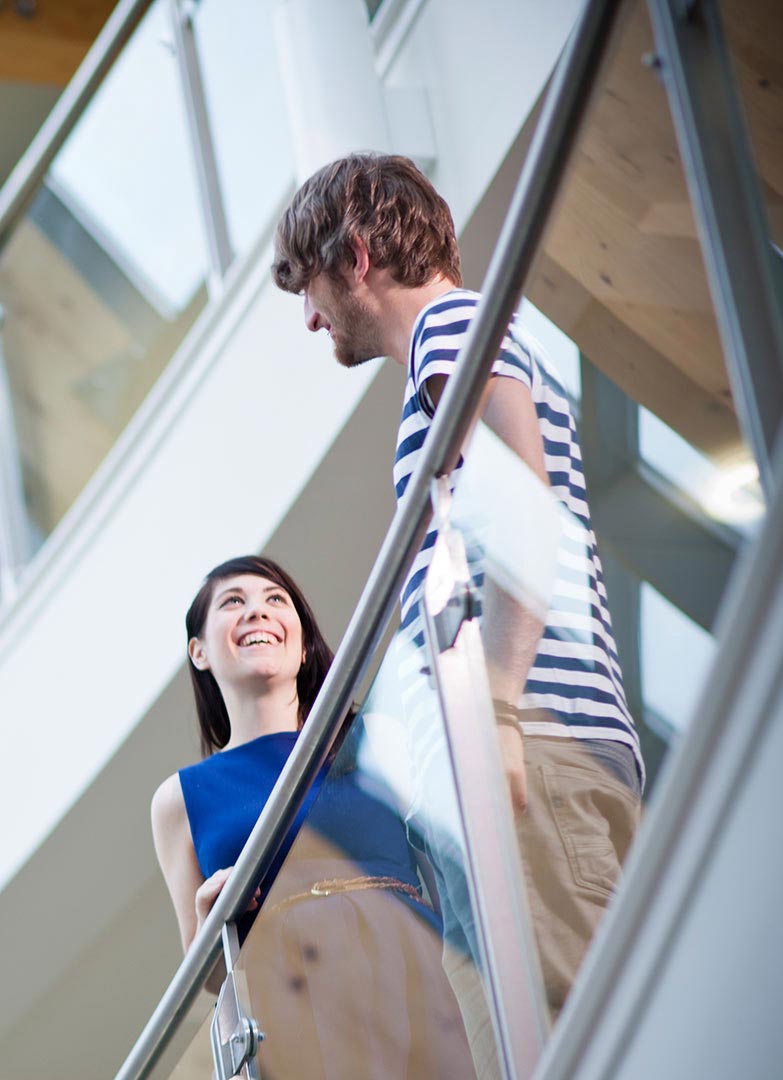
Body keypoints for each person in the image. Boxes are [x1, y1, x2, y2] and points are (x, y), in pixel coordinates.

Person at [269, 152, 643, 1074]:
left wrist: (501, 711)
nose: (312, 319)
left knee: (564, 1045)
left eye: (311, 290)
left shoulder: (452, 328)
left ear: (355, 255)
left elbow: (523, 510)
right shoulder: (455, 342)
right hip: (525, 746)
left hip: (526, 742)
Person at [151, 555, 473, 1079]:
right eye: (235, 602)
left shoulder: (374, 740)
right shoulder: (178, 800)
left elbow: (451, 873)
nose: (257, 612)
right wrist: (215, 924)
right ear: (200, 651)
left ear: (302, 647)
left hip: (412, 983)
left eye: (276, 601)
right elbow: (209, 979)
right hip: (297, 1014)